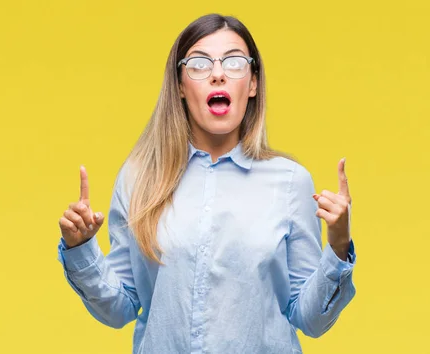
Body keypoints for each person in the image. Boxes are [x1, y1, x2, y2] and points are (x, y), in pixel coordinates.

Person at [57, 13, 356, 354]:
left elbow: (311, 319)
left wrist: (338, 245)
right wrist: (80, 249)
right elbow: (118, 308)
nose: (217, 74)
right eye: (199, 64)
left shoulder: (290, 183)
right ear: (181, 86)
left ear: (253, 83)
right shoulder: (139, 178)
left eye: (234, 62)